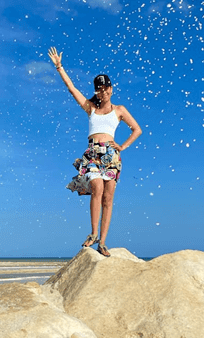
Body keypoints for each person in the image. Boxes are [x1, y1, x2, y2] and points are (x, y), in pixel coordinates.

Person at [48, 47, 142, 257]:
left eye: (106, 88)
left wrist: (123, 146)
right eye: (99, 89)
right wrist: (59, 67)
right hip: (93, 154)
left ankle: (103, 242)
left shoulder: (119, 110)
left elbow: (137, 130)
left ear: (111, 89)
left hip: (111, 155)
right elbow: (72, 88)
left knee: (108, 199)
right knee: (96, 189)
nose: (103, 91)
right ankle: (93, 233)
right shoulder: (90, 107)